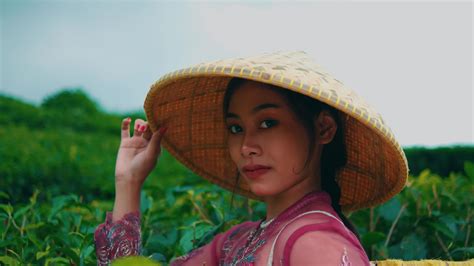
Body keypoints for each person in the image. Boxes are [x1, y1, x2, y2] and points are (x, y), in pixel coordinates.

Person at [94, 51, 409, 265]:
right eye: (235, 127)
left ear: (323, 128)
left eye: (268, 123)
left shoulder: (314, 243)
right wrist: (129, 182)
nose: (246, 146)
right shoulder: (241, 240)